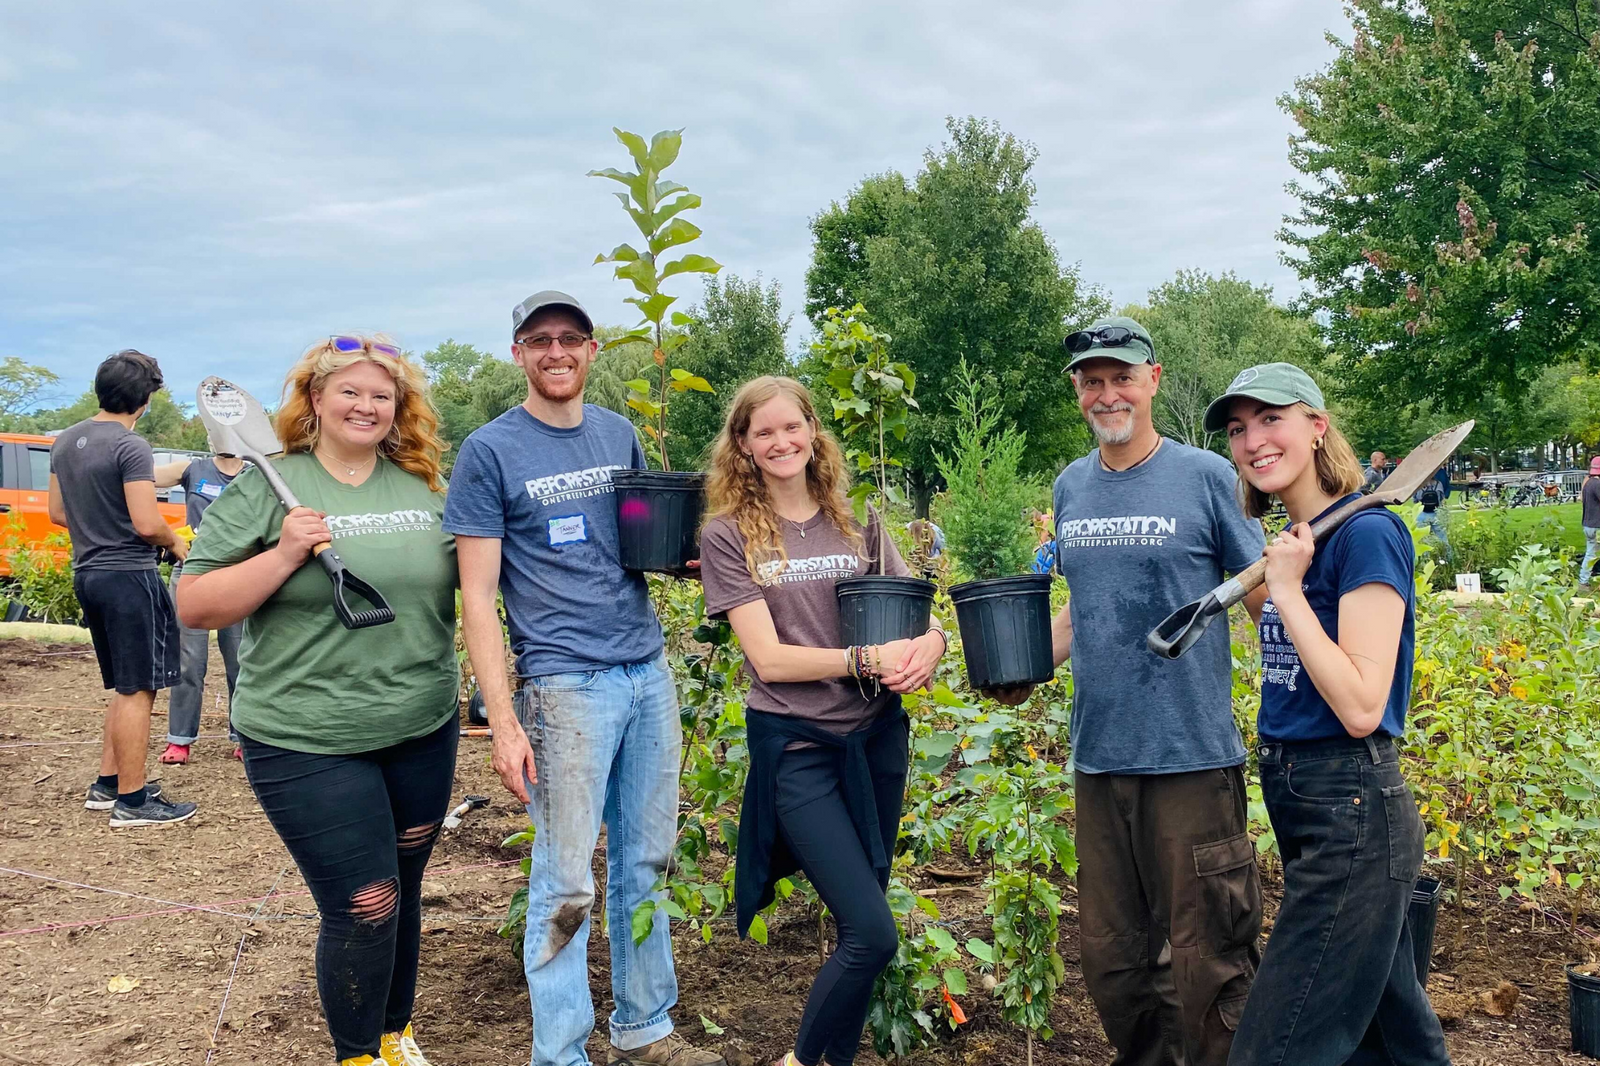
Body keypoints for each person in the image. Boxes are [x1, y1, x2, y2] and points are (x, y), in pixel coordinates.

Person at [445, 291, 723, 1066]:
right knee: (565, 881)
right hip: (563, 685)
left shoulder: (616, 433)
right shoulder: (490, 452)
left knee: (646, 862)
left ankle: (646, 1029)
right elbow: (476, 596)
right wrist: (502, 719)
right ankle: (560, 1052)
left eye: (570, 338)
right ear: (518, 355)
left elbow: (639, 544)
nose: (556, 352)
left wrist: (688, 563)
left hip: (646, 672)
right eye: (539, 340)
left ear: (593, 350)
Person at [178, 336, 459, 1066]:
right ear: (315, 401)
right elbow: (196, 603)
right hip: (306, 736)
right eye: (350, 392)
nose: (365, 406)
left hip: (421, 723)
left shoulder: (425, 486)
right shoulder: (271, 486)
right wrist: (281, 555)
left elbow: (486, 577)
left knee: (403, 886)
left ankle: (395, 1036)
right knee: (365, 903)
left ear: (399, 410)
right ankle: (357, 1055)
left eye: (381, 395)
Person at [997, 317, 1268, 1066]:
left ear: (1153, 379)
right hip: (1101, 757)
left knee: (1206, 958)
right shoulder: (1071, 486)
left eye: (1122, 377)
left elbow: (1260, 595)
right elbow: (1084, 611)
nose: (1107, 392)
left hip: (1190, 757)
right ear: (1076, 391)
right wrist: (1019, 664)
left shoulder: (1207, 477)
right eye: (1092, 380)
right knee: (1111, 961)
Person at [1206, 363, 1450, 1066]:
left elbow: (1361, 704)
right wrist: (1274, 583)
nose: (1252, 440)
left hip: (1352, 801)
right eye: (1237, 428)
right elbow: (1297, 656)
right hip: (1300, 792)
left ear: (1316, 426)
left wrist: (1283, 588)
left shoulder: (1366, 535)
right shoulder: (1298, 539)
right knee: (1391, 1032)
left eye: (1270, 419)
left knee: (1276, 1046)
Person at [698, 376, 947, 1066]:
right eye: (763, 432)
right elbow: (769, 660)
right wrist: (865, 656)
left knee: (857, 926)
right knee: (873, 933)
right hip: (798, 746)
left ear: (812, 432)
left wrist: (931, 646)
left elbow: (917, 615)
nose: (780, 442)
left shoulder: (856, 522)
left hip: (874, 743)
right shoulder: (728, 536)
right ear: (743, 446)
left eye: (791, 427)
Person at [49, 349, 197, 827]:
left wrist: (98, 524)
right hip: (128, 577)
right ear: (146, 399)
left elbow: (57, 512)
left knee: (123, 684)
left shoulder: (66, 439)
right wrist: (178, 544)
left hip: (87, 573)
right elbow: (148, 523)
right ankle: (133, 803)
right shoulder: (131, 446)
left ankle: (108, 784)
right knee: (140, 688)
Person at [158, 449, 248, 764]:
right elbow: (140, 480)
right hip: (192, 571)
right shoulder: (193, 469)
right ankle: (179, 740)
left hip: (238, 575)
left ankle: (244, 737)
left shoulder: (255, 473)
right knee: (188, 661)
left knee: (241, 661)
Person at [1413, 463, 1451, 560]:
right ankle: (1448, 558)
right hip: (1436, 512)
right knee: (1443, 538)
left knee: (1423, 539)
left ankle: (1425, 560)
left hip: (1422, 513)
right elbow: (1442, 498)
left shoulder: (1418, 486)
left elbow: (1415, 500)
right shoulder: (1438, 484)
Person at [1580, 457, 1600, 589]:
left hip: (1588, 524)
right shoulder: (1597, 484)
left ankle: (1583, 581)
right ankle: (1583, 581)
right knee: (1591, 554)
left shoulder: (1588, 483)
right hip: (1597, 525)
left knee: (1590, 554)